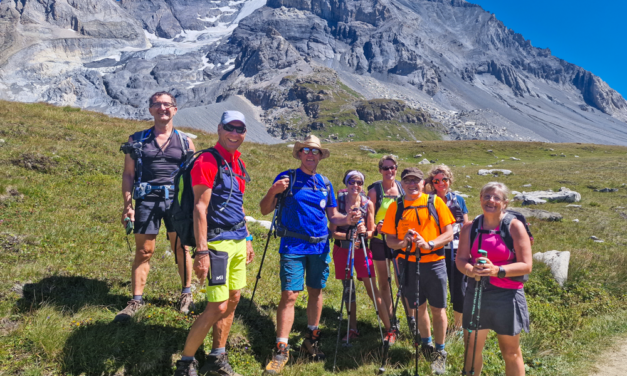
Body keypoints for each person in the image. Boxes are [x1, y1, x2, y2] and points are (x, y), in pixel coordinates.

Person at [259, 135, 360, 375]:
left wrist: (348, 220)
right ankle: (281, 349)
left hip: (320, 246)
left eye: (315, 151)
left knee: (316, 292)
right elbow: (264, 209)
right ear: (299, 154)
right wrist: (274, 190)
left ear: (320, 156)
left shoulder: (325, 183)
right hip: (293, 246)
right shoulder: (287, 178)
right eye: (306, 150)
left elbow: (333, 217)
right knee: (290, 295)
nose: (310, 154)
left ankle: (311, 340)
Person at [174, 111, 255, 376]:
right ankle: (185, 363)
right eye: (230, 128)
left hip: (238, 240)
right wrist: (201, 251)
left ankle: (217, 358)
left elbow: (238, 204)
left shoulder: (239, 163)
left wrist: (248, 238)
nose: (235, 134)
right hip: (217, 242)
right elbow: (200, 207)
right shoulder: (208, 160)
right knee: (217, 305)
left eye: (240, 129)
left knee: (233, 300)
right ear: (220, 128)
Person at [116, 92, 196, 322]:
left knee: (182, 248)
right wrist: (127, 205)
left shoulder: (185, 142)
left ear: (175, 109)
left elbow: (191, 178)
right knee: (144, 251)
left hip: (177, 202)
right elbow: (128, 174)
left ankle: (186, 294)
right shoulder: (137, 139)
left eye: (167, 105)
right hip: (146, 200)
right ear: (150, 110)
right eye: (157, 105)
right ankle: (136, 300)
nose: (162, 108)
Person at [381, 167, 455, 375]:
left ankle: (440, 352)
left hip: (434, 262)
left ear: (424, 183)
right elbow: (389, 240)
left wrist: (429, 244)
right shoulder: (396, 206)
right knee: (419, 307)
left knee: (438, 309)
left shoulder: (435, 202)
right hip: (408, 263)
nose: (412, 185)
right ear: (401, 185)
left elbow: (449, 234)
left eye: (416, 181)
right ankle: (426, 344)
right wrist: (403, 242)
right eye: (407, 181)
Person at [456, 182, 532, 376]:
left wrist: (496, 270)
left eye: (497, 198)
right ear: (480, 198)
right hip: (477, 292)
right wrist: (472, 270)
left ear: (505, 203)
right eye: (487, 196)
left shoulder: (515, 227)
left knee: (511, 351)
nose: (491, 201)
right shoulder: (469, 228)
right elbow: (461, 260)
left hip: (507, 295)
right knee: (471, 350)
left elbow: (526, 265)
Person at [330, 170, 394, 344]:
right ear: (346, 183)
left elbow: (372, 232)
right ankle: (352, 329)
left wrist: (366, 232)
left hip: (362, 250)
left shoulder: (367, 204)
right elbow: (333, 232)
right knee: (348, 290)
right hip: (342, 249)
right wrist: (348, 236)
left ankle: (389, 329)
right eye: (352, 182)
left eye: (359, 183)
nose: (355, 186)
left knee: (372, 289)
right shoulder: (338, 202)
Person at [425, 165, 470, 332]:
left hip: (457, 248)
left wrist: (468, 248)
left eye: (444, 179)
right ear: (431, 182)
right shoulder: (428, 200)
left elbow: (466, 226)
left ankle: (458, 326)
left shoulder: (458, 200)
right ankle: (440, 323)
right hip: (435, 247)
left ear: (450, 180)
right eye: (436, 180)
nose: (441, 183)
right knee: (437, 288)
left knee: (459, 287)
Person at [367, 155, 404, 330]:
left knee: (400, 281)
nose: (390, 171)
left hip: (398, 240)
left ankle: (410, 318)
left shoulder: (403, 189)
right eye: (386, 168)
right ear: (380, 170)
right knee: (384, 282)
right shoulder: (375, 191)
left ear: (396, 169)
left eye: (392, 167)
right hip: (379, 240)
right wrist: (375, 228)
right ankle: (391, 320)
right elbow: (370, 217)